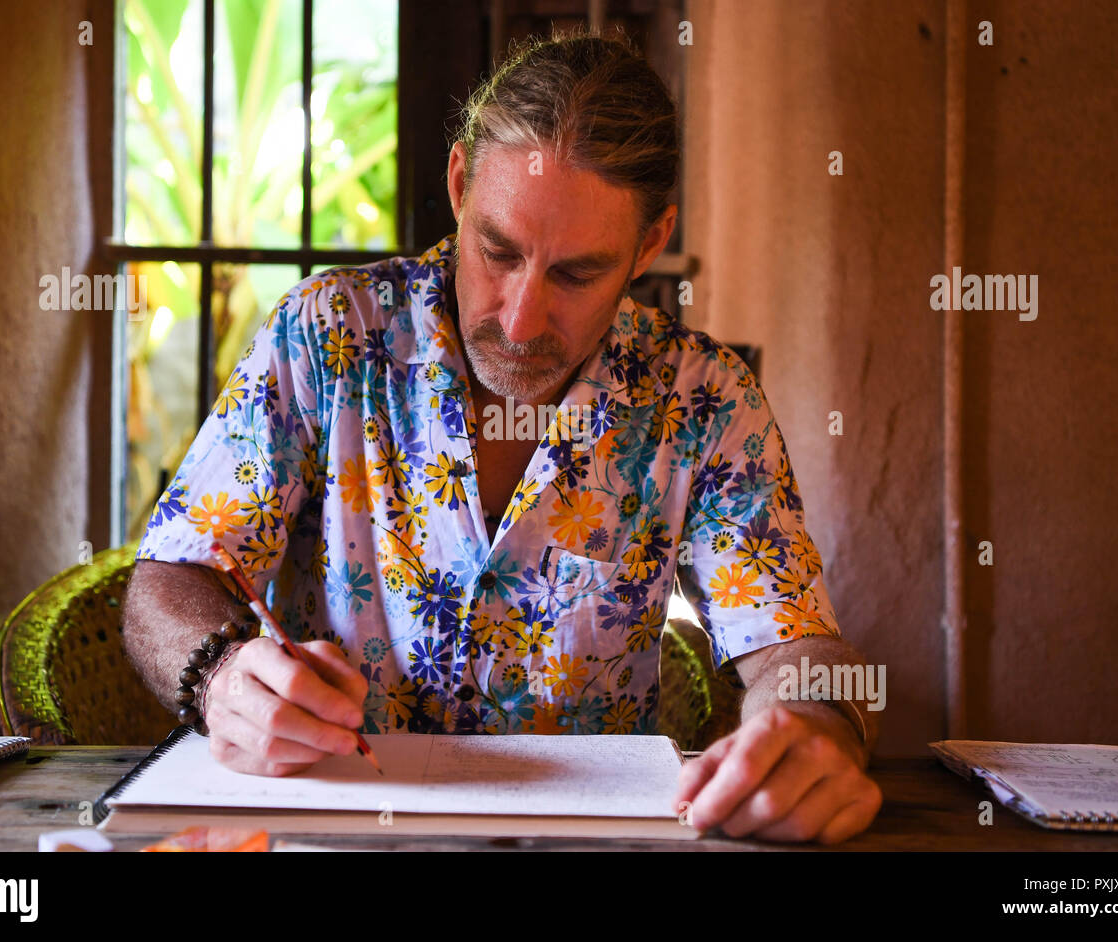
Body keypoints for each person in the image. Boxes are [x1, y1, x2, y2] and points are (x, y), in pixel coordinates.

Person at [123, 29, 882, 843]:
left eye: (576, 274)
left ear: (649, 244)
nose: (520, 320)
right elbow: (171, 576)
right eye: (498, 251)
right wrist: (220, 677)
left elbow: (793, 646)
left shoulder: (704, 400)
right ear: (458, 183)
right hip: (329, 833)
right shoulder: (326, 336)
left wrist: (815, 726)